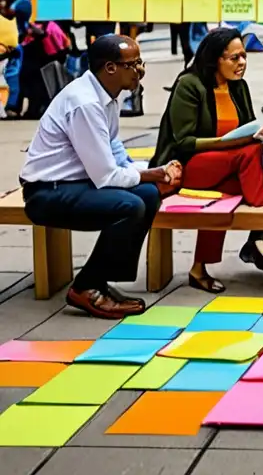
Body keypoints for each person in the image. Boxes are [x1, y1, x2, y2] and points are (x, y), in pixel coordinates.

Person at [19, 35, 181, 318]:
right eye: (133, 64)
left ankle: (100, 281)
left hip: (74, 183)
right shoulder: (85, 103)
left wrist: (147, 172)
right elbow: (106, 176)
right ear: (110, 68)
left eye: (140, 62)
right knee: (130, 205)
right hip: (47, 193)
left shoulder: (107, 95)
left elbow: (115, 149)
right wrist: (150, 173)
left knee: (148, 194)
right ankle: (86, 287)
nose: (140, 71)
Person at [152, 27, 263, 294]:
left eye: (244, 56)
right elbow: (183, 142)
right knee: (249, 155)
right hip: (188, 166)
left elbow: (249, 129)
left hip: (227, 166)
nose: (242, 63)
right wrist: (231, 143)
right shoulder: (190, 85)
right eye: (234, 58)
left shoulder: (239, 87)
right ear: (214, 59)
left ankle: (199, 269)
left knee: (227, 195)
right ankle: (259, 229)